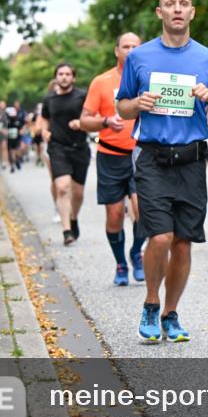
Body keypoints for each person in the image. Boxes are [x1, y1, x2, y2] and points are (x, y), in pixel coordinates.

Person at [116, 0, 208, 344]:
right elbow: (121, 108)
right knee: (161, 236)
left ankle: (171, 312)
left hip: (192, 160)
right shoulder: (140, 58)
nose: (177, 9)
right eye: (170, 4)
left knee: (183, 243)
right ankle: (151, 302)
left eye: (183, 4)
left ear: (192, 12)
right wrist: (138, 103)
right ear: (159, 12)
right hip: (152, 157)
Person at [80, 31, 148, 286]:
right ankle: (120, 262)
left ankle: (136, 252)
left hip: (141, 155)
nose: (130, 51)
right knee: (115, 215)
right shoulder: (101, 82)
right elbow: (85, 120)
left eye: (135, 47)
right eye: (125, 46)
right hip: (110, 155)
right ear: (116, 51)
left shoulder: (149, 79)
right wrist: (105, 121)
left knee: (142, 210)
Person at [38, 63, 90, 245]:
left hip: (80, 148)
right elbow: (44, 118)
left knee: (78, 193)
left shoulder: (82, 96)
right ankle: (67, 230)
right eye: (61, 74)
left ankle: (74, 217)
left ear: (73, 78)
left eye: (68, 74)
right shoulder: (49, 99)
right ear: (56, 77)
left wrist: (82, 122)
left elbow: (92, 114)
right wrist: (44, 131)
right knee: (62, 187)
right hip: (57, 147)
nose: (64, 77)